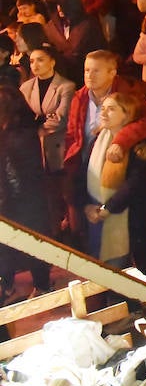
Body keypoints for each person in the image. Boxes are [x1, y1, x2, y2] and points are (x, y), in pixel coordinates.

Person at [72, 91, 146, 272]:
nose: (103, 113)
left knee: (141, 275)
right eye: (102, 109)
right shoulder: (95, 143)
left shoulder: (143, 146)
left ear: (127, 114)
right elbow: (82, 177)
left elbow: (137, 184)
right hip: (98, 217)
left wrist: (108, 208)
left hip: (134, 219)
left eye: (111, 109)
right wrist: (85, 206)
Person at [0, 85, 53, 298]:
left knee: (33, 244)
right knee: (6, 248)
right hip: (14, 200)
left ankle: (42, 286)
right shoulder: (10, 133)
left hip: (24, 201)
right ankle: (8, 284)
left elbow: (19, 174)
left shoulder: (20, 136)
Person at [20, 44, 75, 240]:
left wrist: (36, 122)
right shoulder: (26, 87)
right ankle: (55, 230)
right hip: (37, 148)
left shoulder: (65, 86)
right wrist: (39, 121)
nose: (35, 64)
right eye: (32, 61)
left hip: (58, 146)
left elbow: (60, 119)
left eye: (40, 60)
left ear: (52, 62)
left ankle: (72, 229)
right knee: (48, 193)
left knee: (65, 191)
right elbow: (22, 118)